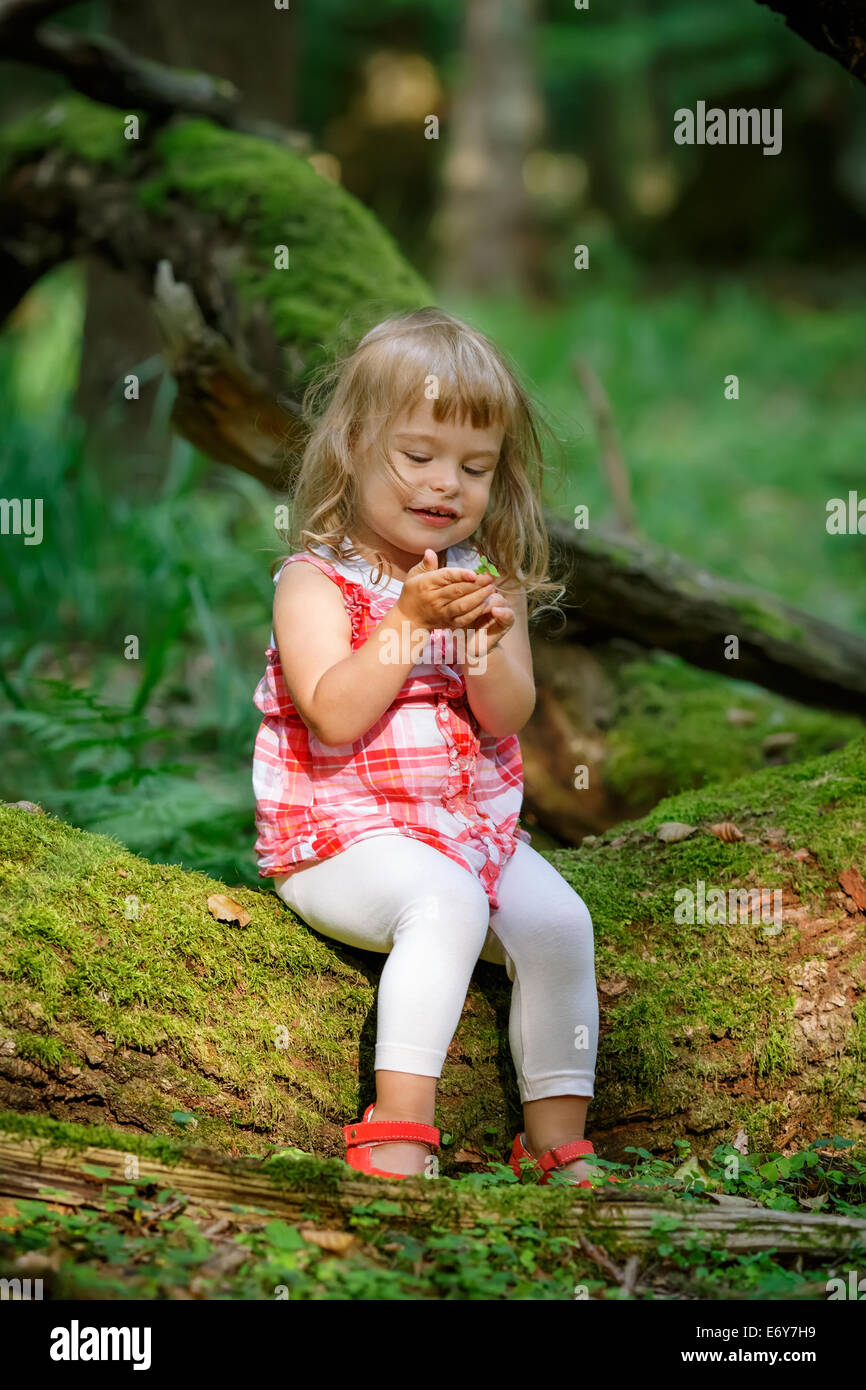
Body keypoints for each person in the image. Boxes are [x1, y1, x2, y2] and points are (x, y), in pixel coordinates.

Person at [252, 307, 605, 1185]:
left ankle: (558, 1140)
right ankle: (399, 1129)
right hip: (340, 841)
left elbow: (506, 717)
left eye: (474, 467)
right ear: (356, 444)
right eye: (419, 456)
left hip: (466, 832)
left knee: (562, 923)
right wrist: (406, 624)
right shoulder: (315, 581)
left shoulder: (484, 581)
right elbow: (334, 713)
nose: (445, 484)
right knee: (445, 903)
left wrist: (486, 645)